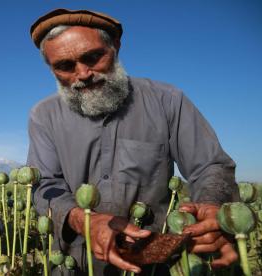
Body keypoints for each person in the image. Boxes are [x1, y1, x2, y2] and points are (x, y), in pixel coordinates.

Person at [27, 9, 240, 275]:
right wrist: (83, 220)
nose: (82, 73)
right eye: (65, 66)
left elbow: (210, 166)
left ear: (114, 46)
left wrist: (212, 204)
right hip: (75, 263)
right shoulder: (44, 115)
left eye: (93, 57)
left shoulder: (167, 101)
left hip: (153, 261)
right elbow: (44, 185)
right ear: (52, 68)